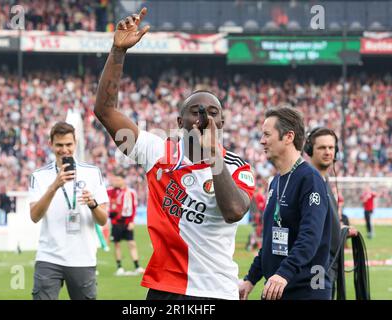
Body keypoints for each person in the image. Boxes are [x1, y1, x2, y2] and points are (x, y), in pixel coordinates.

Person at [94, 7, 255, 300]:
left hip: (216, 291)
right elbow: (105, 112)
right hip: (165, 290)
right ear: (180, 123)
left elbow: (234, 212)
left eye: (213, 113)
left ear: (222, 122)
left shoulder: (236, 166)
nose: (204, 117)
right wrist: (118, 52)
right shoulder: (158, 151)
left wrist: (212, 155)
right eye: (196, 111)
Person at [240, 107, 332, 300]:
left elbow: (310, 236)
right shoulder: (276, 181)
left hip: (305, 291)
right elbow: (271, 241)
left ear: (288, 136)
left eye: (267, 134)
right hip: (277, 289)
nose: (262, 141)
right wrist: (251, 278)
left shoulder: (310, 179)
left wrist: (284, 273)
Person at [28, 122, 109, 300]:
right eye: (59, 145)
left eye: (68, 144)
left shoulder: (92, 173)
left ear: (75, 143)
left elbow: (103, 220)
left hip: (83, 257)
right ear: (51, 144)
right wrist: (54, 186)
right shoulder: (39, 176)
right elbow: (34, 216)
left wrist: (93, 204)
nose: (64, 150)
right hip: (49, 257)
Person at [304, 127, 358, 297]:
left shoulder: (324, 180)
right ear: (309, 150)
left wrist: (342, 230)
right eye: (321, 148)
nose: (327, 152)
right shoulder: (309, 181)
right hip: (316, 268)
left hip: (328, 265)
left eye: (331, 147)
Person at [107, 168, 143, 275]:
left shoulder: (130, 192)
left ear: (123, 180)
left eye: (118, 180)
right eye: (115, 180)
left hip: (127, 222)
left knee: (132, 244)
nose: (115, 182)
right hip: (115, 223)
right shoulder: (109, 191)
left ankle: (137, 266)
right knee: (117, 244)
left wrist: (132, 221)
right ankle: (119, 267)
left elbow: (134, 207)